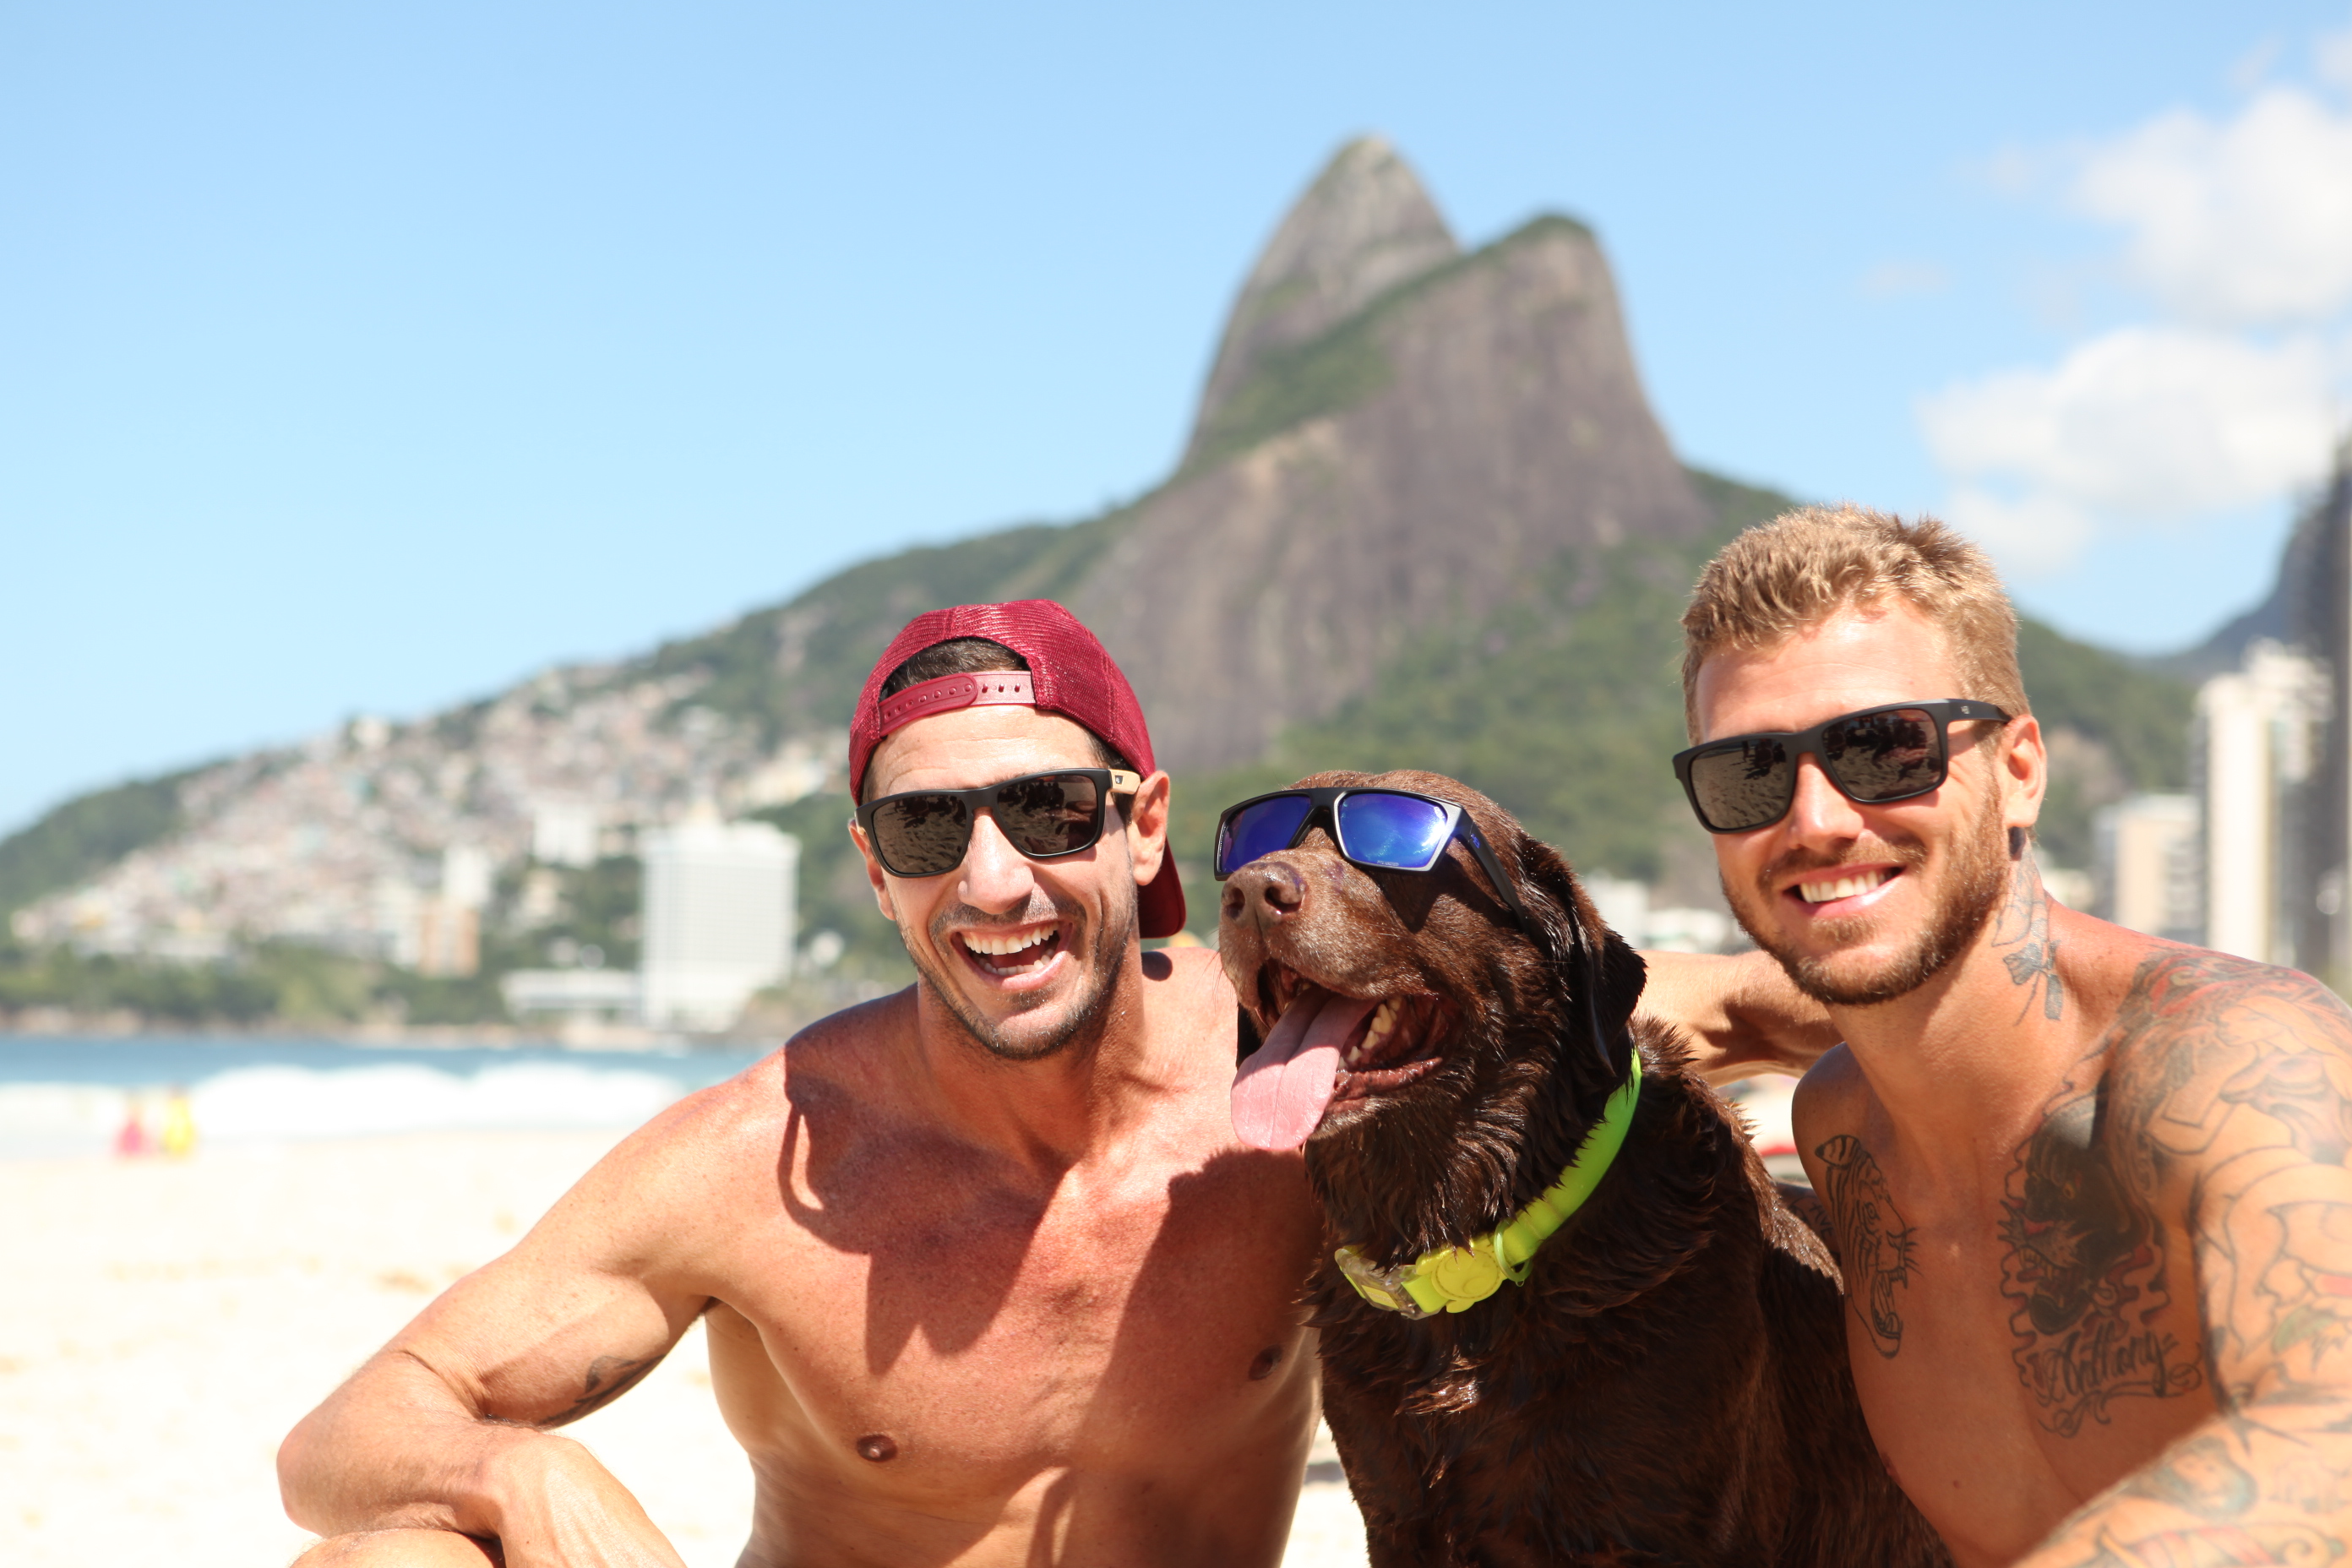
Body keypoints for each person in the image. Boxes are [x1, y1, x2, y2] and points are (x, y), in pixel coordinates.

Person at [278, 599, 1809, 1567]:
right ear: (874, 870)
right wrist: (522, 1476)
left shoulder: (1318, 1066)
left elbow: (1748, 1002)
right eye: (929, 830)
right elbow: (337, 1444)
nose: (995, 879)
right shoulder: (760, 1162)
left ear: (1141, 828)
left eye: (1050, 810)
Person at [1676, 505, 2352, 1568]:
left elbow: (2332, 1433)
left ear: (2021, 768)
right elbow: (1717, 998)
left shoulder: (2231, 1056)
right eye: (1748, 773)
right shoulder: (1843, 1128)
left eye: (1883, 747)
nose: (1817, 819)